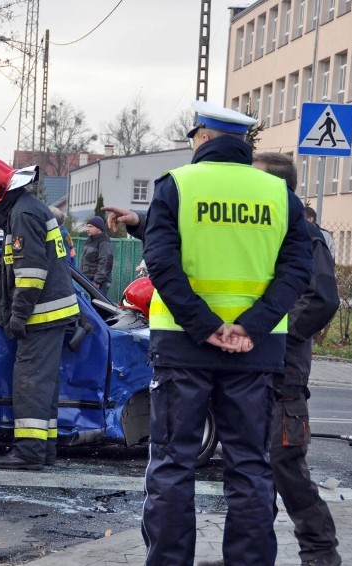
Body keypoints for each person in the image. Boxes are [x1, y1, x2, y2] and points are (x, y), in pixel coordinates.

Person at [140, 100, 312, 565]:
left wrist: (205, 326)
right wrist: (250, 327)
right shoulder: (279, 195)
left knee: (174, 465)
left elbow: (161, 263)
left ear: (203, 139)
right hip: (255, 351)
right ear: (242, 144)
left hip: (182, 345)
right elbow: (298, 269)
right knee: (250, 468)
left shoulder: (176, 185)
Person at [253, 152, 342, 566]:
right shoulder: (264, 229)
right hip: (252, 367)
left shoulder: (305, 233)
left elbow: (322, 298)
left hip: (283, 369)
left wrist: (275, 332)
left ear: (278, 186)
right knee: (253, 472)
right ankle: (254, 553)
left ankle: (321, 555)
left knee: (285, 465)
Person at [0, 158, 79, 470]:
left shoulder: (23, 213)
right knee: (42, 386)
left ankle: (29, 453)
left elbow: (31, 273)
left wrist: (18, 315)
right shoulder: (24, 209)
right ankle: (43, 451)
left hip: (41, 315)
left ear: (0, 190)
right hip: (48, 313)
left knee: (29, 383)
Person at [79, 215, 113, 295]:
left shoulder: (104, 242)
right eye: (87, 227)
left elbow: (105, 262)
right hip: (88, 279)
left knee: (97, 305)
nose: (88, 229)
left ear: (99, 228)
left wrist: (97, 281)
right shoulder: (90, 240)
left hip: (97, 283)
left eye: (90, 227)